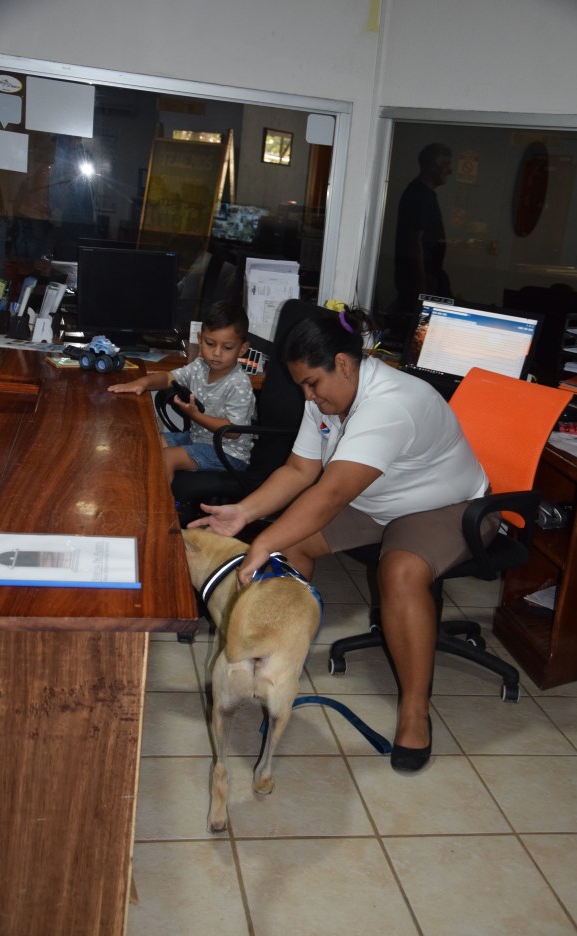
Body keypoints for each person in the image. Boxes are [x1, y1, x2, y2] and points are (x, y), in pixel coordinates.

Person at [189, 303, 498, 773]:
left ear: (344, 363)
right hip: (379, 498)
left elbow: (330, 494)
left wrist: (261, 541)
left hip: (447, 504)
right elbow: (299, 471)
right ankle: (278, 666)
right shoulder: (329, 397)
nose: (308, 397)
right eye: (301, 387)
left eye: (312, 384)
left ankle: (415, 712)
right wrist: (245, 513)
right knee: (294, 544)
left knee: (400, 571)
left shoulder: (392, 402)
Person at [108, 300, 255, 483]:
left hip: (229, 454)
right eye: (210, 343)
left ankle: (159, 508)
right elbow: (168, 378)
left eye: (227, 348)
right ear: (200, 339)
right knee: (150, 442)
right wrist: (143, 382)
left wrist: (194, 415)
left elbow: (233, 431)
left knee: (168, 457)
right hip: (198, 439)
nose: (217, 353)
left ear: (242, 348)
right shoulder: (199, 366)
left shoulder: (239, 383)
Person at [392, 143, 453, 342]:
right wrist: (421, 284)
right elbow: (413, 241)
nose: (449, 171)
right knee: (419, 336)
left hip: (427, 276)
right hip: (419, 279)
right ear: (434, 166)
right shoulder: (419, 195)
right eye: (446, 165)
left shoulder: (424, 194)